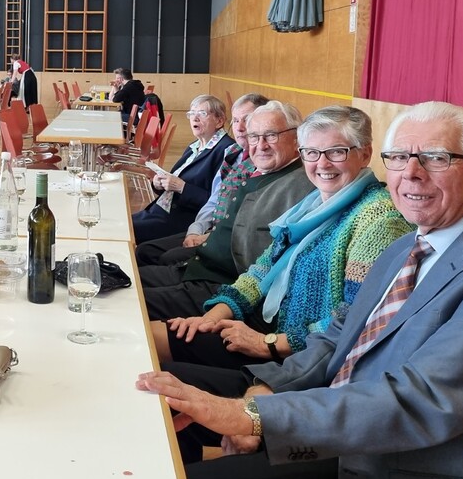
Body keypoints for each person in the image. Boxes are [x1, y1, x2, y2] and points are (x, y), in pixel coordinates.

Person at [139, 101, 463, 479]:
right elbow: (341, 332)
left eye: (436, 158)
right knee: (160, 406)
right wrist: (269, 390)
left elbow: (420, 399)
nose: (411, 173)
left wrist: (254, 414)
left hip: (405, 466)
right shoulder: (410, 244)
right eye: (399, 157)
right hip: (336, 409)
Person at [154, 108, 413, 435]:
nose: (322, 163)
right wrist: (214, 316)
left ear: (364, 154)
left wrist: (270, 343)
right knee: (151, 340)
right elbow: (260, 271)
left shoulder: (378, 219)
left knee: (159, 384)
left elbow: (354, 321)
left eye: (336, 152)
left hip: (300, 362)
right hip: (265, 330)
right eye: (311, 152)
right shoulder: (313, 205)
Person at [140, 101, 316, 322]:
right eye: (254, 137)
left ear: (297, 137)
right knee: (130, 275)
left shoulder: (300, 186)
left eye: (271, 136)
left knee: (132, 298)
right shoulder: (258, 169)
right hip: (199, 268)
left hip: (223, 288)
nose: (261, 145)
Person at [131, 95, 235, 244]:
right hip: (160, 211)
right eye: (192, 113)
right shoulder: (195, 146)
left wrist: (182, 187)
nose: (195, 118)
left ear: (219, 121)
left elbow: (219, 203)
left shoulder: (226, 151)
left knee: (121, 229)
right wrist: (159, 183)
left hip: (182, 222)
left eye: (202, 113)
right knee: (118, 223)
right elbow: (175, 182)